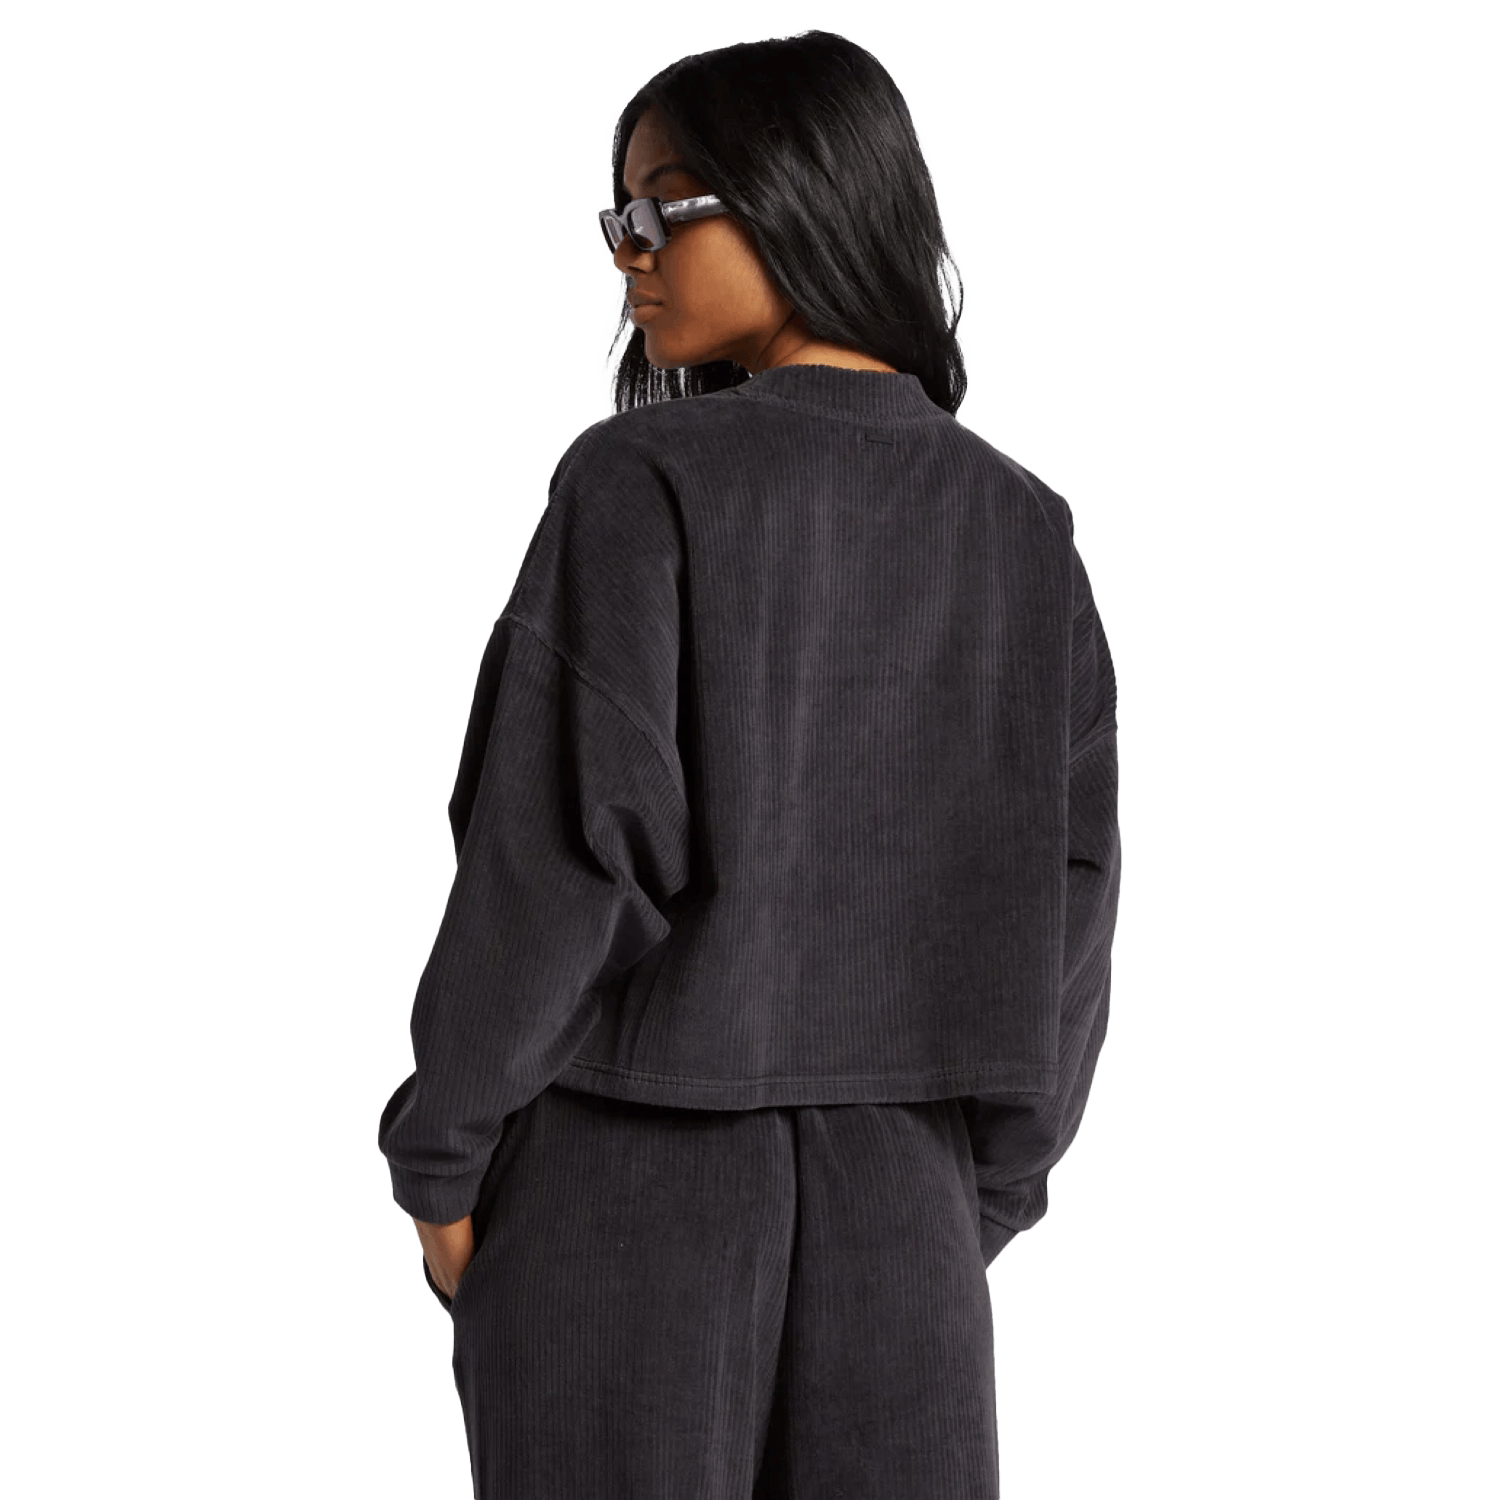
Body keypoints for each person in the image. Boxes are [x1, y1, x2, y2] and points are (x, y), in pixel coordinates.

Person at [376, 26, 1121, 1499]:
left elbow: (563, 855)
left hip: (622, 1193)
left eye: (663, 210)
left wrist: (441, 1157)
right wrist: (981, 1187)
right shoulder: (1026, 528)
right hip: (908, 1207)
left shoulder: (642, 478)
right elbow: (1071, 902)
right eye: (617, 217)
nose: (628, 254)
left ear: (804, 196)